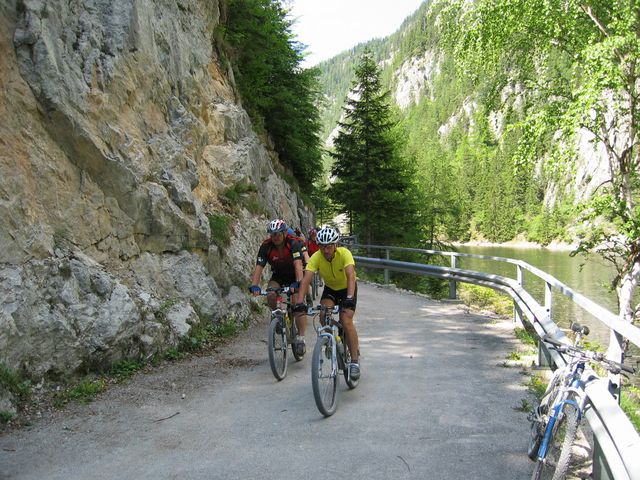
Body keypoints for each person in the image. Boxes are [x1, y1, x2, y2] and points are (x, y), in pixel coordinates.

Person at [295, 226, 361, 380]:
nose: (325, 250)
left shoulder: (345, 254)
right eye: (322, 247)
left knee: (346, 320)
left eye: (329, 246)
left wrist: (349, 297)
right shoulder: (316, 257)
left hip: (347, 289)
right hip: (330, 289)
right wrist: (299, 301)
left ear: (335, 245)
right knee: (323, 315)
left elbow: (351, 276)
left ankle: (354, 362)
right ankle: (331, 341)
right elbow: (306, 279)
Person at [249, 219, 307, 356]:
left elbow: (298, 265)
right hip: (278, 276)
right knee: (271, 294)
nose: (275, 237)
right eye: (272, 234)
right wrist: (254, 285)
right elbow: (259, 267)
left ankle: (301, 338)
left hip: (295, 275)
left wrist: (298, 282)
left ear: (285, 233)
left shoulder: (293, 243)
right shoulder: (266, 246)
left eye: (278, 234)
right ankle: (278, 319)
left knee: (297, 303)